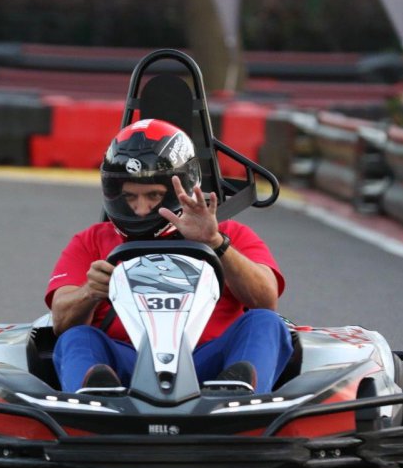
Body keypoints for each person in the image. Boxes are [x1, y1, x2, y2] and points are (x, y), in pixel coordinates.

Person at [45, 119, 293, 393]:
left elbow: (265, 299)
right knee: (78, 336)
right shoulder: (91, 241)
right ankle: (96, 397)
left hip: (210, 363)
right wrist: (89, 292)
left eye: (153, 195)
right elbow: (61, 322)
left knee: (266, 323)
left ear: (181, 189)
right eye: (130, 197)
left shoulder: (230, 234)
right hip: (126, 364)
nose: (141, 209)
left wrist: (215, 243)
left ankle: (238, 394)